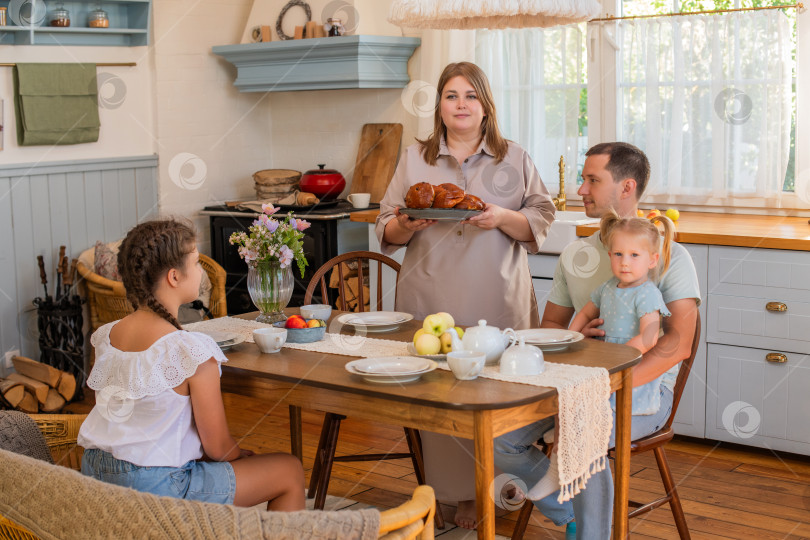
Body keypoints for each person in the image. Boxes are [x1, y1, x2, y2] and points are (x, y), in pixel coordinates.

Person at [375, 61, 556, 528]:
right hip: (429, 295)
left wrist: (501, 217)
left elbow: (540, 214)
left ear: (485, 104)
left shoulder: (512, 157)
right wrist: (408, 222)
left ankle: (499, 486)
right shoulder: (415, 157)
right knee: (438, 396)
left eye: (470, 95)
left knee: (495, 394)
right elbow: (386, 226)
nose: (461, 104)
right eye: (452, 95)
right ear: (439, 105)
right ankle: (453, 493)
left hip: (497, 294)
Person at [494, 142, 700, 539]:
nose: (580, 190)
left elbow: (679, 343)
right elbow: (549, 327)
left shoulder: (668, 256)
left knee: (582, 435)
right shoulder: (575, 255)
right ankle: (572, 514)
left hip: (641, 395)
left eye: (592, 180)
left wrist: (610, 385)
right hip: (572, 385)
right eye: (581, 179)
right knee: (500, 437)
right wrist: (573, 335)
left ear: (626, 187)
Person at [78, 219, 305, 511]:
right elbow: (218, 447)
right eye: (196, 262)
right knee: (288, 470)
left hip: (94, 474)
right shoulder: (191, 351)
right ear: (174, 277)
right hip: (156, 488)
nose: (200, 271)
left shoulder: (106, 336)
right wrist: (239, 456)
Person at [526, 209, 676, 502]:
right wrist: (575, 336)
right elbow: (584, 313)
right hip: (602, 365)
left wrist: (620, 355)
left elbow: (649, 335)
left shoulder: (647, 294)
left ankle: (561, 459)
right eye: (618, 254)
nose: (624, 262)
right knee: (570, 396)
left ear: (652, 260)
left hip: (628, 371)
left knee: (590, 414)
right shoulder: (607, 288)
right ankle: (561, 455)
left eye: (634, 255)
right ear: (609, 256)